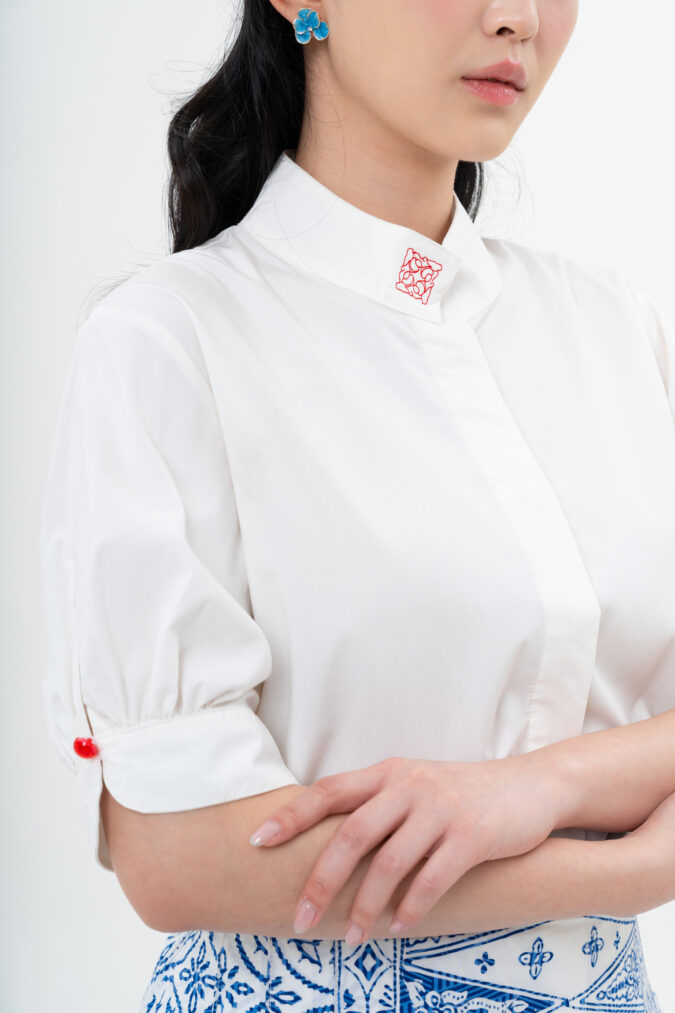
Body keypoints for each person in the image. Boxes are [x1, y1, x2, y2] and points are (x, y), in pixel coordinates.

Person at [40, 1, 675, 1010]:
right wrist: (631, 867)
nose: (517, 17)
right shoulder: (168, 343)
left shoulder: (614, 331)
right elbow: (180, 853)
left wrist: (535, 787)